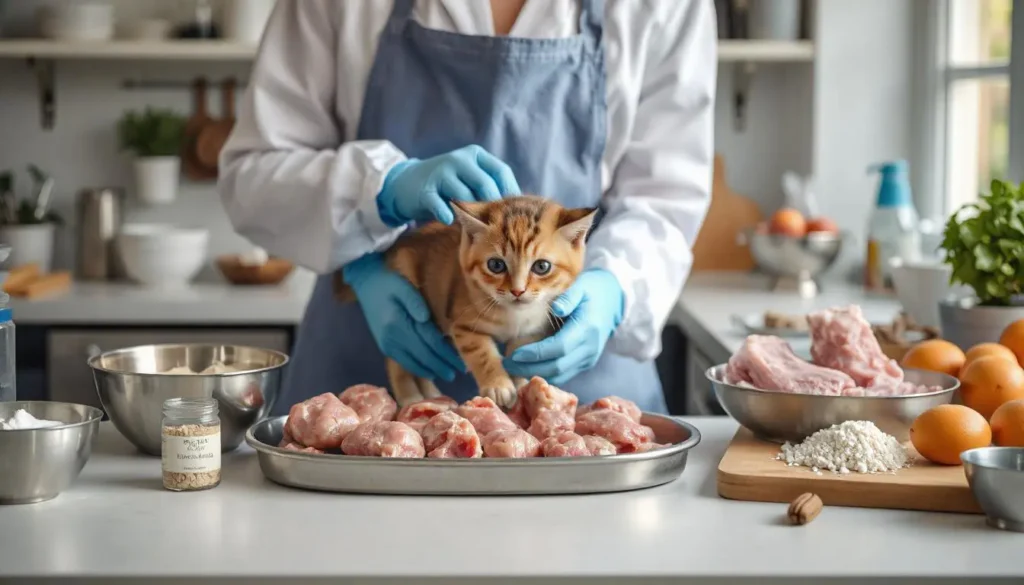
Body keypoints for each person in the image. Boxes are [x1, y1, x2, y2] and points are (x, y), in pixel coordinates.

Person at [219, 0, 716, 415]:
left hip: (583, 389)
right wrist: (381, 193)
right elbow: (254, 173)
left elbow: (666, 198)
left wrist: (616, 289)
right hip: (364, 382)